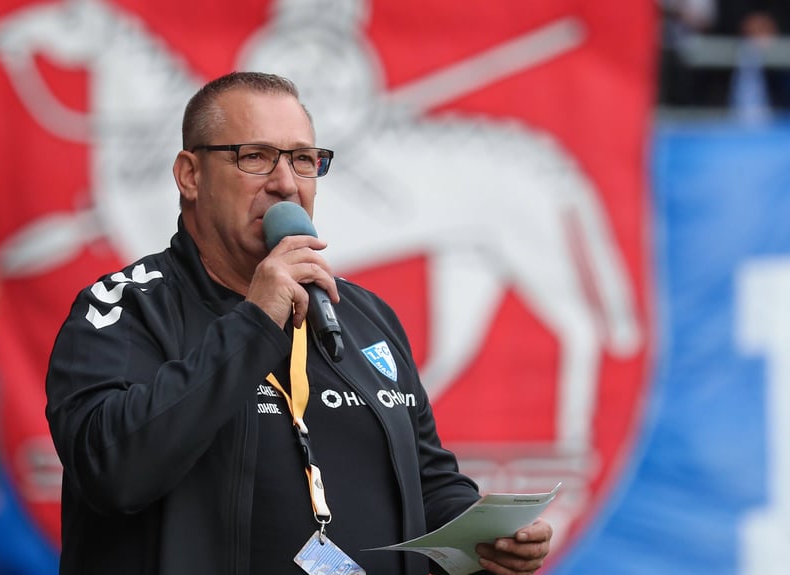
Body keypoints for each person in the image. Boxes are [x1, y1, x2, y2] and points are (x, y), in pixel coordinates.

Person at [45, 71, 553, 575]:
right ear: (190, 175)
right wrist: (256, 321)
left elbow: (427, 482)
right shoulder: (123, 308)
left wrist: (485, 535)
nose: (286, 183)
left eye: (304, 160)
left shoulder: (363, 315)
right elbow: (110, 470)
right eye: (256, 156)